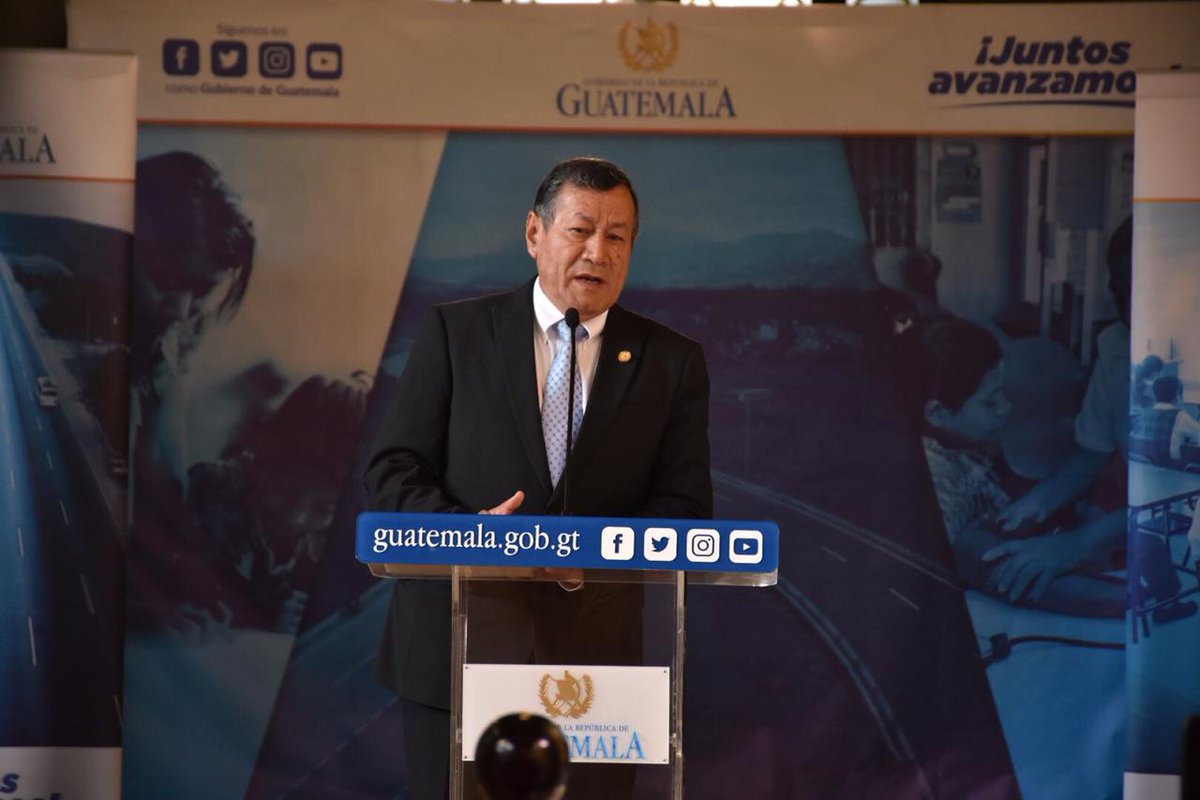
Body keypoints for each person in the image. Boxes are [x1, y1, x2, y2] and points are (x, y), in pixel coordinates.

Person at [365, 157, 713, 800]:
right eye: (580, 230)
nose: (597, 252)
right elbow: (392, 471)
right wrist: (471, 540)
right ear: (534, 233)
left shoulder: (672, 362)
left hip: (597, 671)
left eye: (617, 236)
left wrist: (593, 559)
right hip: (458, 649)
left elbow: (686, 507)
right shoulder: (457, 335)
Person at [995, 218, 1195, 622]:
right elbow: (1092, 452)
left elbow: (1181, 492)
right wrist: (1038, 503)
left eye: (1151, 291)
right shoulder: (1119, 345)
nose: (1133, 308)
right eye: (1122, 292)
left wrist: (1074, 545)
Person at [918, 317, 1127, 616]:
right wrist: (1136, 601)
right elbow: (1005, 571)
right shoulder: (942, 489)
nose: (1008, 407)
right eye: (990, 402)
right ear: (937, 412)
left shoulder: (964, 442)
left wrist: (1039, 504)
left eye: (1002, 392)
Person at [1133, 374, 1200, 465]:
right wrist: (1182, 408)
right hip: (1171, 468)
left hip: (1145, 467)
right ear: (1177, 396)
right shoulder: (1181, 417)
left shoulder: (1143, 414)